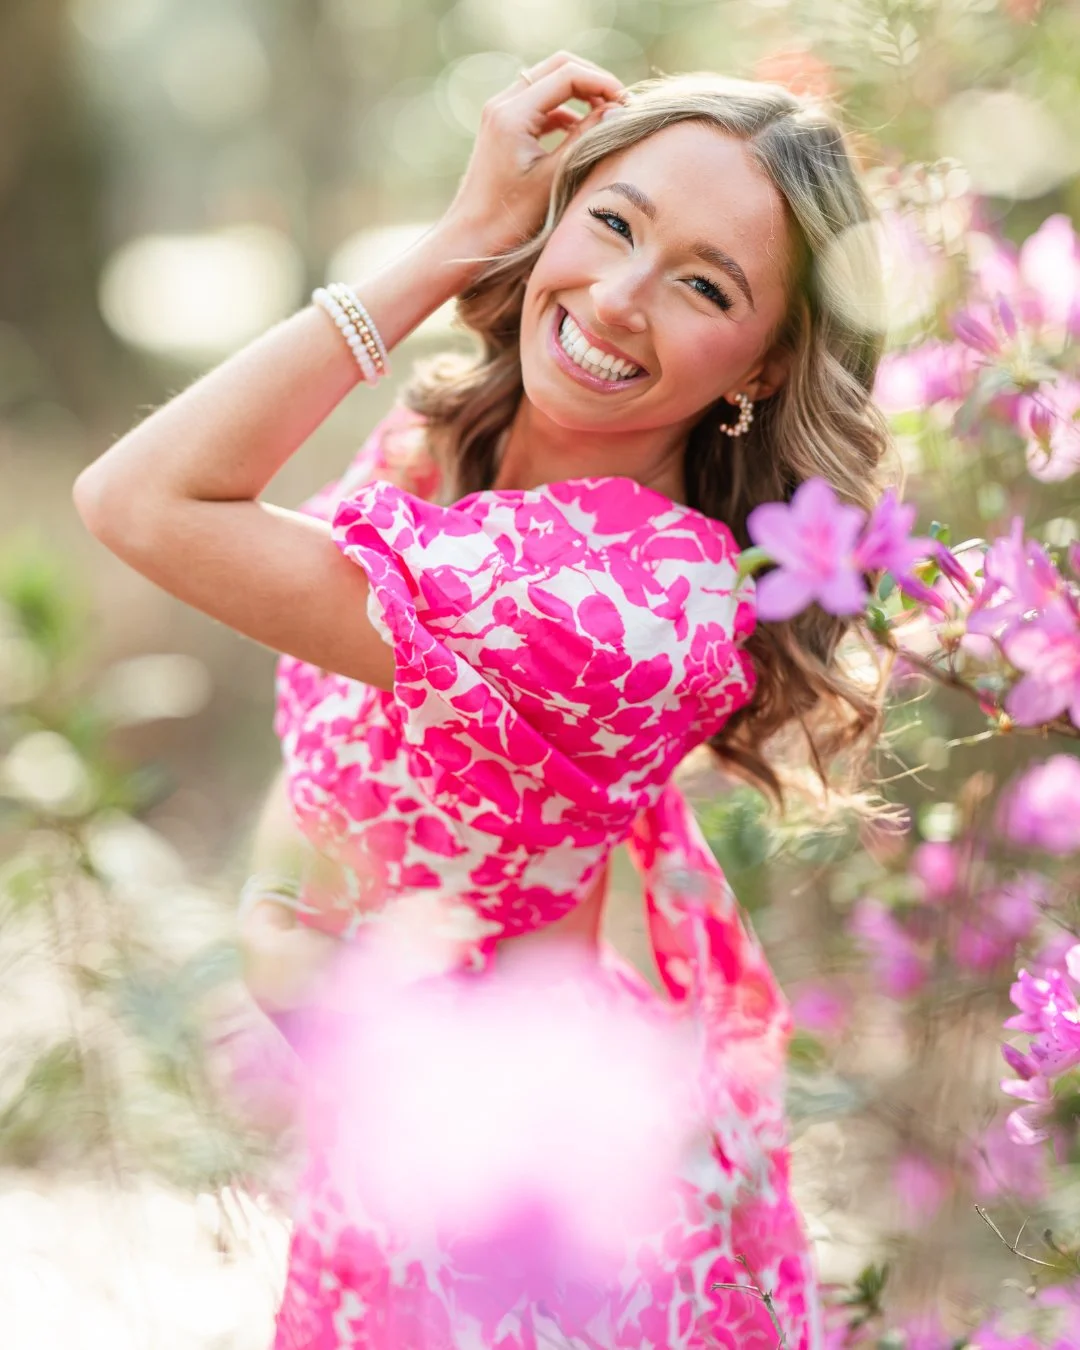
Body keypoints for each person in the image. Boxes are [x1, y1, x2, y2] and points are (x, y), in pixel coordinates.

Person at [75, 51, 894, 1350]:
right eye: (613, 221)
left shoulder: (621, 605)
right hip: (414, 1151)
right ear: (556, 207)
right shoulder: (439, 439)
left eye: (703, 284)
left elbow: (136, 501)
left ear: (764, 366)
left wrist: (454, 242)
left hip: (516, 1224)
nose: (619, 298)